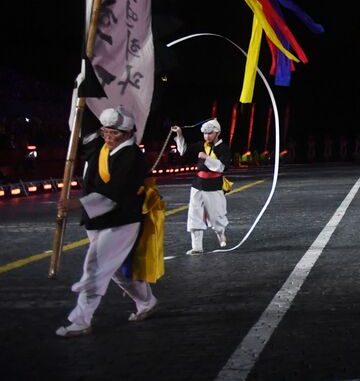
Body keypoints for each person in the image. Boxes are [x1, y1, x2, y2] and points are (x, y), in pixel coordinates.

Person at [56, 107, 158, 337]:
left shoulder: (132, 157)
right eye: (106, 132)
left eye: (115, 134)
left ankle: (81, 320)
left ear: (128, 133)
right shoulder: (100, 148)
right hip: (97, 219)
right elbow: (82, 129)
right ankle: (147, 301)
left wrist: (79, 204)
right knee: (118, 272)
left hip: (122, 220)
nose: (109, 137)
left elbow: (116, 192)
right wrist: (81, 91)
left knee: (95, 266)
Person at [173, 119, 231, 254]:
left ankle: (221, 234)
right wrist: (179, 135)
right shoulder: (201, 145)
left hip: (214, 186)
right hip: (198, 184)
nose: (207, 136)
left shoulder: (223, 148)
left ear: (217, 133)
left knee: (217, 216)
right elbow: (183, 150)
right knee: (194, 214)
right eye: (205, 134)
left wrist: (206, 158)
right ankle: (197, 246)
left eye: (209, 133)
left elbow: (221, 167)